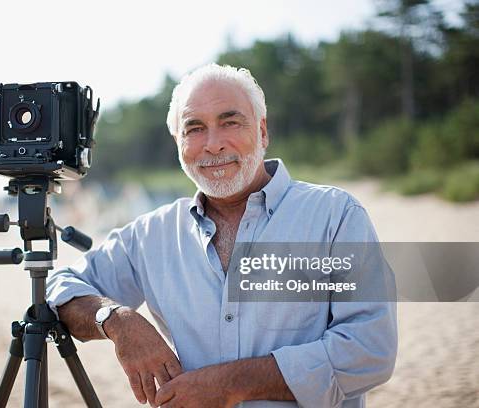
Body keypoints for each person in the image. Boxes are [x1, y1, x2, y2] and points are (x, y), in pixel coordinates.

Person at [46, 64, 397, 408]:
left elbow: (370, 347)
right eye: (194, 128)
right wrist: (118, 321)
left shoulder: (335, 215)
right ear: (178, 142)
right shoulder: (151, 234)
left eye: (230, 122)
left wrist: (231, 384)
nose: (212, 145)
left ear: (262, 131)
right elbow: (60, 286)